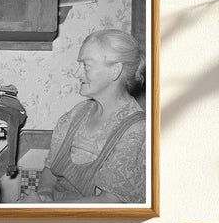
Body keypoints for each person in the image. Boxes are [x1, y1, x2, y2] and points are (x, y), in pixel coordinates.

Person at [21, 29, 146, 204]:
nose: (76, 73)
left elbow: (111, 201)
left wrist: (49, 210)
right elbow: (50, 170)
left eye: (86, 65)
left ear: (115, 70)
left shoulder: (137, 130)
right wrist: (45, 192)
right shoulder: (77, 114)